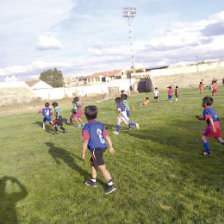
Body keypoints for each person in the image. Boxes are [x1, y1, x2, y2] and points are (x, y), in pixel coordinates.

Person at [81, 105, 116, 194]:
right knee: (92, 163)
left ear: (85, 115)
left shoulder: (86, 127)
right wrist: (111, 146)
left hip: (95, 149)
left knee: (101, 167)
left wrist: (83, 153)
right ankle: (93, 180)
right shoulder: (100, 124)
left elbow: (85, 141)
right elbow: (106, 136)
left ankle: (111, 185)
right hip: (102, 147)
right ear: (96, 115)